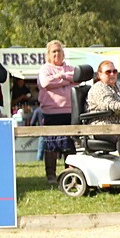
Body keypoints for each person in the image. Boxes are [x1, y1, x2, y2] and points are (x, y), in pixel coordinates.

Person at [37, 40, 78, 186]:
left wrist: (61, 78)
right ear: (48, 54)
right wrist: (65, 78)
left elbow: (76, 79)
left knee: (69, 144)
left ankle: (71, 175)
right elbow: (46, 83)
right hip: (50, 113)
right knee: (50, 146)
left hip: (70, 111)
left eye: (59, 51)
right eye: (54, 51)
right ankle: (51, 175)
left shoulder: (71, 68)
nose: (57, 54)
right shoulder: (44, 69)